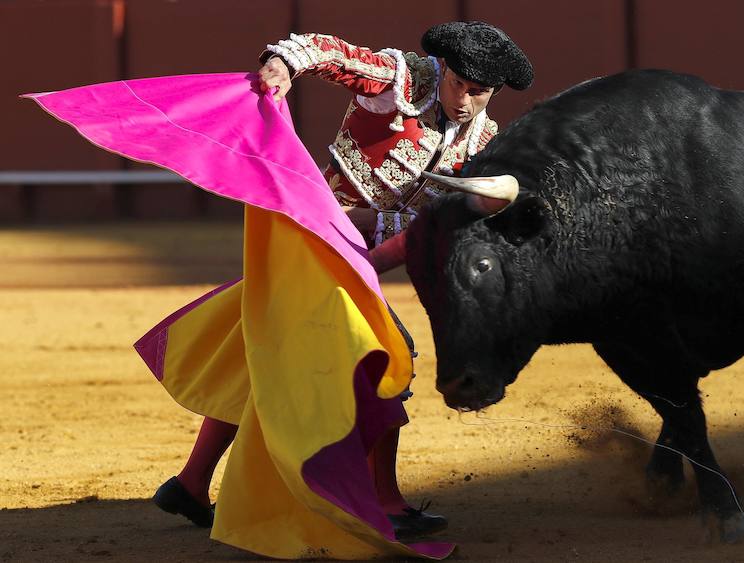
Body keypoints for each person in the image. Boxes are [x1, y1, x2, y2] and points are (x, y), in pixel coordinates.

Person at [151, 20, 533, 539]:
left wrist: (374, 236)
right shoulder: (402, 80)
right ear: (443, 69)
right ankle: (386, 500)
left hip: (357, 253)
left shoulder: (483, 142)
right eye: (459, 85)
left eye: (480, 92)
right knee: (383, 352)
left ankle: (191, 483)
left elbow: (433, 224)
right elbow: (332, 54)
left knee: (270, 354)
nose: (466, 100)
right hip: (313, 236)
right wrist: (283, 63)